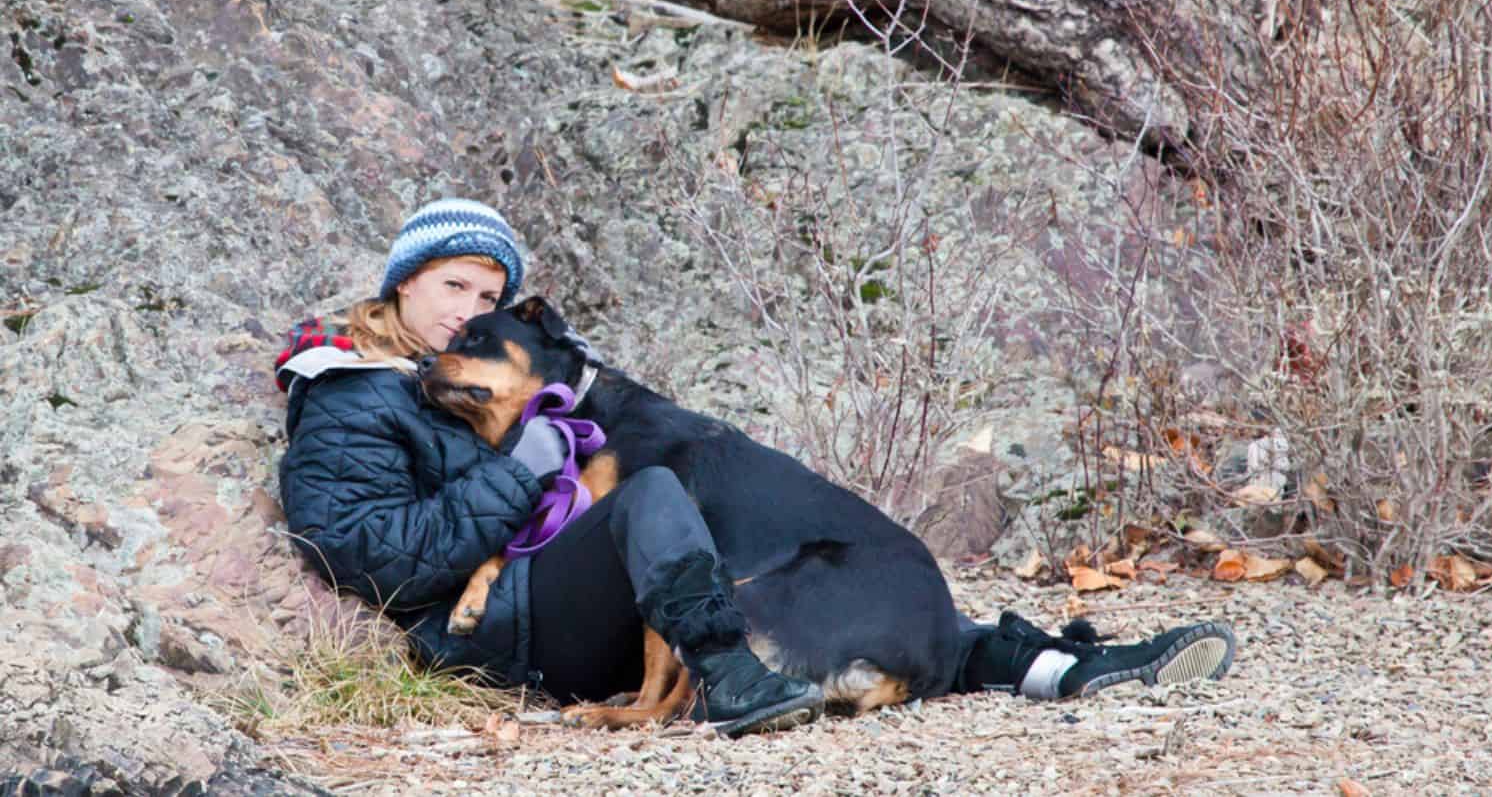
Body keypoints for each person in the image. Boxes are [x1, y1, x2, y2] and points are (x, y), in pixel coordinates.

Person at [274, 198, 1235, 736]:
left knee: (857, 588)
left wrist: (538, 447)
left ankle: (1055, 667)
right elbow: (367, 555)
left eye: (489, 296)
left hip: (569, 592)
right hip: (491, 629)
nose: (465, 314)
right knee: (655, 491)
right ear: (403, 285)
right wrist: (519, 468)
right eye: (453, 288)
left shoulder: (508, 394)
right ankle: (730, 684)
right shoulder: (353, 390)